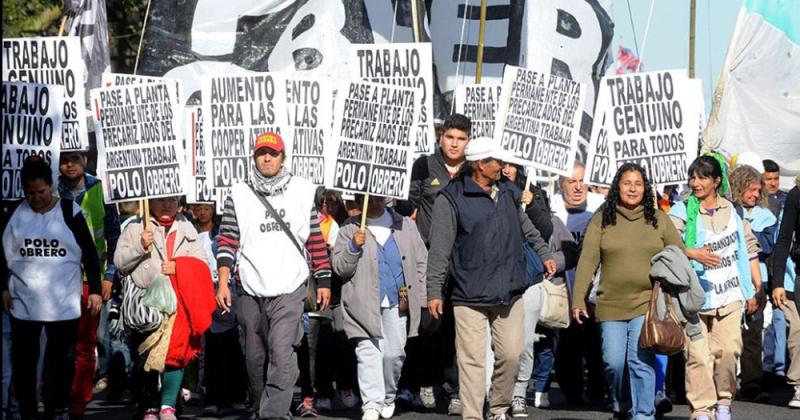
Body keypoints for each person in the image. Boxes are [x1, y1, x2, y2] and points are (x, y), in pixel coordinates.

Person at [426, 137, 556, 420]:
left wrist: (544, 252)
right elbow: (439, 249)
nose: (503, 167)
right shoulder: (450, 198)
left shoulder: (509, 191)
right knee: (471, 362)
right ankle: (473, 415)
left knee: (511, 355)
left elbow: (528, 229)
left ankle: (498, 408)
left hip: (509, 290)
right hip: (467, 293)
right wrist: (434, 289)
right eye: (497, 162)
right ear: (479, 165)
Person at [215, 132, 332, 419]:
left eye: (273, 153)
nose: (267, 158)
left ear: (283, 158)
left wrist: (324, 279)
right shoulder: (239, 193)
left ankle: (273, 414)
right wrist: (222, 280)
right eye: (261, 153)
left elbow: (314, 239)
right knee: (255, 359)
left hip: (289, 287)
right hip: (249, 288)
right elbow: (227, 240)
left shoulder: (303, 191)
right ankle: (260, 408)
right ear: (253, 157)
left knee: (282, 352)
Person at [572, 163, 684, 420]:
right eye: (627, 183)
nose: (632, 188)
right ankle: (622, 404)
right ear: (617, 187)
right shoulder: (603, 218)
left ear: (646, 188)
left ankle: (643, 414)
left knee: (639, 361)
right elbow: (588, 259)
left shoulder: (659, 219)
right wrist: (578, 298)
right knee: (614, 363)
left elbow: (678, 256)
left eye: (638, 183)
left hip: (646, 303)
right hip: (610, 303)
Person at [1, 156, 102, 420]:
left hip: (62, 305)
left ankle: (59, 407)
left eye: (42, 192)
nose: (36, 198)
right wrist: (3, 287)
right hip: (23, 304)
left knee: (62, 362)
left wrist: (94, 289)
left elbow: (90, 254)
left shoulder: (70, 212)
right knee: (24, 364)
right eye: (31, 193)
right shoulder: (13, 213)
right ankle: (28, 412)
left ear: (51, 187)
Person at [669, 154, 763, 420]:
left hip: (730, 295)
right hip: (693, 296)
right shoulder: (681, 209)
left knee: (729, 351)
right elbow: (668, 243)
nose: (695, 182)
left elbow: (748, 247)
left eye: (702, 177)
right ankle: (701, 409)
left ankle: (723, 402)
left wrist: (757, 286)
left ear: (716, 181)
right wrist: (693, 253)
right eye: (693, 177)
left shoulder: (732, 211)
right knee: (698, 355)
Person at [115, 195, 214, 420]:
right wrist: (141, 246)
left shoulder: (187, 228)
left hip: (179, 302)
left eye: (171, 200)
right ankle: (149, 404)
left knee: (175, 354)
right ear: (149, 202)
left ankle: (168, 405)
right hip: (147, 302)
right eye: (161, 200)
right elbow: (120, 262)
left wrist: (179, 267)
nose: (167, 205)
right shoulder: (135, 228)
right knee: (146, 356)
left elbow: (202, 266)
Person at [398, 113, 472, 414]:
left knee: (460, 326)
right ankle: (426, 381)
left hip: (465, 260)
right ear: (441, 138)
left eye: (461, 139)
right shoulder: (423, 165)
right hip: (429, 258)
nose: (454, 144)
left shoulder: (473, 169)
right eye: (449, 137)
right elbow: (408, 204)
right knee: (429, 324)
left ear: (468, 141)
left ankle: (455, 389)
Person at [332, 195, 428, 420]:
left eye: (378, 199)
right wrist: (353, 247)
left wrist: (421, 296)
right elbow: (340, 267)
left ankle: (388, 396)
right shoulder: (349, 227)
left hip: (398, 300)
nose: (374, 203)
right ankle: (371, 404)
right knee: (368, 353)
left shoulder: (405, 224)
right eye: (368, 199)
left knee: (394, 354)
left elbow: (421, 260)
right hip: (363, 303)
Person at [54, 150, 121, 419]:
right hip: (57, 283)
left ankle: (79, 404)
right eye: (63, 159)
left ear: (85, 159)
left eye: (74, 158)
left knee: (86, 344)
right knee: (59, 346)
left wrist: (108, 277)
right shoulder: (50, 190)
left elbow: (113, 236)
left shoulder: (100, 189)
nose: (69, 164)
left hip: (89, 283)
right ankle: (56, 399)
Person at [551, 162, 607, 405]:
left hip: (594, 287)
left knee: (596, 340)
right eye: (571, 181)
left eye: (581, 180)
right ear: (561, 184)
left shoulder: (598, 208)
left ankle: (597, 390)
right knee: (568, 342)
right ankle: (571, 392)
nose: (577, 187)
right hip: (565, 286)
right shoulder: (553, 211)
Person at [728, 165, 778, 403]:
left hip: (758, 283)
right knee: (726, 337)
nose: (756, 195)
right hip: (729, 283)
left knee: (753, 337)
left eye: (758, 191)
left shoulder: (766, 216)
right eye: (751, 189)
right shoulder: (726, 211)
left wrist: (743, 234)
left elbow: (767, 246)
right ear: (738, 187)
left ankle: (751, 385)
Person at [771, 175, 800, 408]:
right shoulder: (796, 194)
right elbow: (783, 240)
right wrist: (778, 282)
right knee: (798, 333)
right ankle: (799, 386)